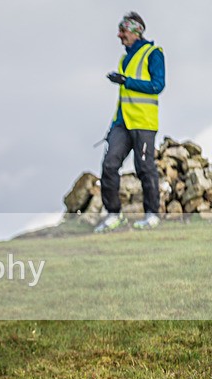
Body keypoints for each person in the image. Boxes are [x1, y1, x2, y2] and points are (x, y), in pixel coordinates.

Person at [95, 12, 165, 233]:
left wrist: (127, 81)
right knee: (109, 165)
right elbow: (123, 97)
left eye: (123, 31)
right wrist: (113, 125)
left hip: (143, 123)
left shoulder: (153, 54)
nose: (119, 35)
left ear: (136, 31)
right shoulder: (124, 59)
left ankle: (152, 215)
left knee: (145, 168)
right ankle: (114, 215)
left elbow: (158, 85)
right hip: (123, 124)